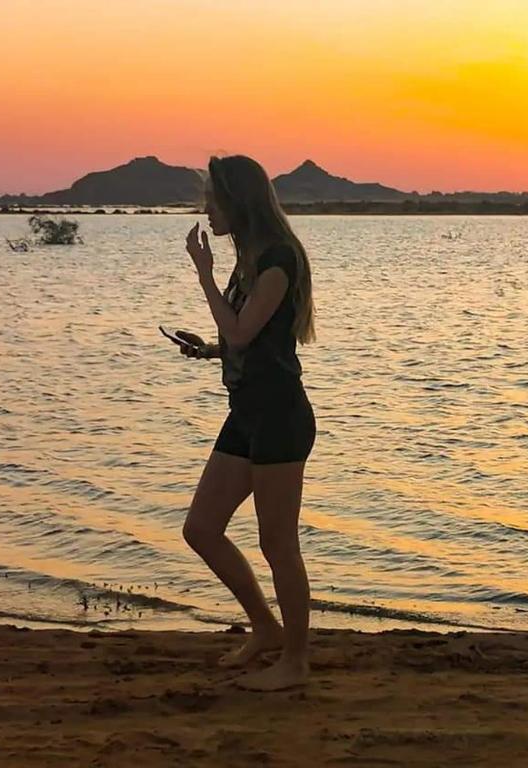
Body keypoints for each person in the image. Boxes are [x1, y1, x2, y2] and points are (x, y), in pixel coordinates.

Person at [177, 154, 316, 691]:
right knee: (202, 529)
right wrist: (211, 350)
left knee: (278, 544)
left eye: (213, 198)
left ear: (239, 201)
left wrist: (204, 275)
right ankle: (264, 626)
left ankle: (296, 662)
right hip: (247, 412)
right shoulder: (253, 259)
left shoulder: (277, 259)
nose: (206, 209)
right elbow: (247, 340)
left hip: (280, 416)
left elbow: (241, 332)